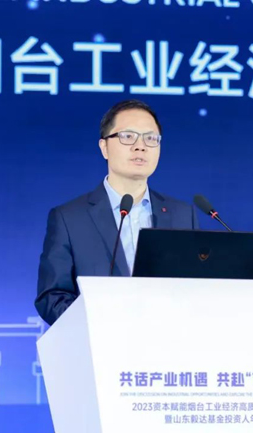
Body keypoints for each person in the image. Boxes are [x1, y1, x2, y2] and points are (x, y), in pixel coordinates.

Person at [35, 100, 199, 325]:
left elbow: (196, 290)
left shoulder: (183, 215)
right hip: (101, 342)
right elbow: (52, 297)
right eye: (128, 136)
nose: (140, 146)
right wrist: (101, 325)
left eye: (150, 138)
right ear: (104, 147)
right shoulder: (69, 219)